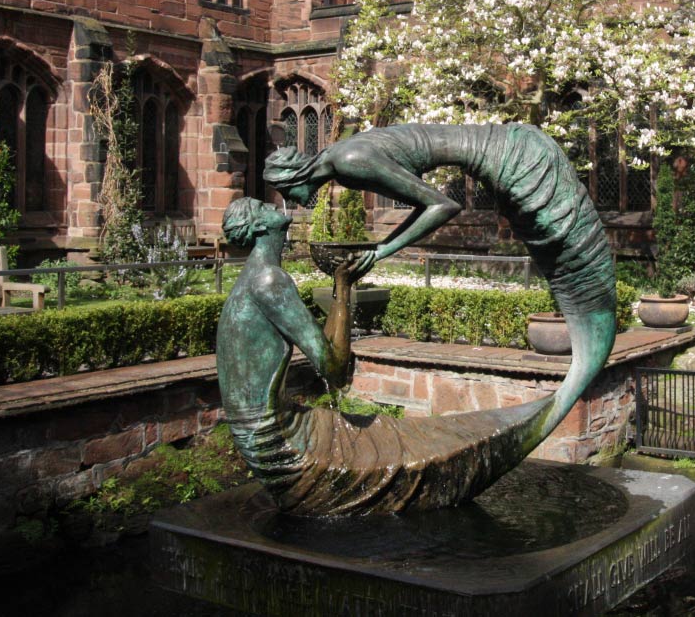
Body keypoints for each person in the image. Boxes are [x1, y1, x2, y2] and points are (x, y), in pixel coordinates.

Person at [263, 122, 617, 438]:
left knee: (569, 259)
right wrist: (380, 247)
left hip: (518, 159)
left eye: (282, 191)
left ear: (291, 178)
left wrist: (382, 250)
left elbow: (442, 206)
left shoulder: (350, 162)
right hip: (513, 149)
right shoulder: (343, 158)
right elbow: (427, 203)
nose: (288, 201)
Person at [217, 193, 551, 515]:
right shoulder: (268, 280)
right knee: (392, 447)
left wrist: (343, 285)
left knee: (393, 433)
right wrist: (345, 292)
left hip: (269, 426)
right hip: (274, 441)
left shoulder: (257, 278)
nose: (273, 203)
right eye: (263, 205)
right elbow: (334, 369)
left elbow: (327, 355)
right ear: (259, 227)